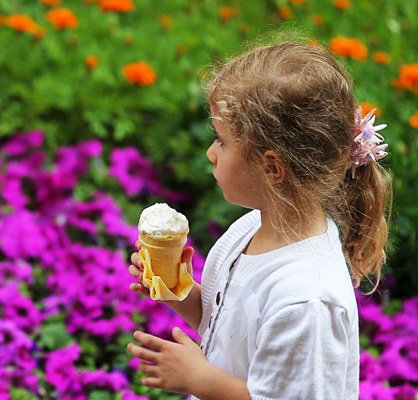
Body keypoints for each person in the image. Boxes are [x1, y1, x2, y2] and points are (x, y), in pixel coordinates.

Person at [126, 41, 392, 399]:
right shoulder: (251, 228)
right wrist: (178, 291)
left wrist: (198, 378)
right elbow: (231, 329)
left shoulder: (307, 300)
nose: (210, 152)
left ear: (272, 167)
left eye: (222, 141)